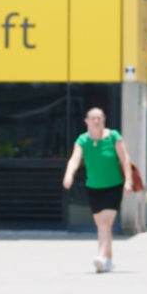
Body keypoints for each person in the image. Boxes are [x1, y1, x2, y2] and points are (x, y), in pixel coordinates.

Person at [62, 108, 133, 273]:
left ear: (103, 119)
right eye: (92, 118)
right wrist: (68, 175)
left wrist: (128, 181)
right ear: (86, 121)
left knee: (104, 223)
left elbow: (125, 158)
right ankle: (109, 260)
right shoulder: (82, 140)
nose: (96, 121)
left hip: (113, 186)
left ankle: (100, 257)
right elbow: (75, 159)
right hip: (93, 187)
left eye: (99, 118)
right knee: (103, 226)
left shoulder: (113, 136)